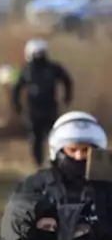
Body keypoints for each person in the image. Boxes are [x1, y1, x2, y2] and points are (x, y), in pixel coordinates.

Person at [14, 111, 112, 240]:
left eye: (86, 150)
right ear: (58, 150)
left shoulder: (107, 187)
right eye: (72, 150)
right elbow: (16, 229)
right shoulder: (37, 185)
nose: (79, 156)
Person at [12, 38, 73, 167]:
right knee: (36, 138)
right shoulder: (27, 70)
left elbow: (67, 81)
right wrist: (16, 104)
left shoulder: (53, 68)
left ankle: (56, 163)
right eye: (36, 53)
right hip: (34, 110)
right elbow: (17, 88)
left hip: (49, 108)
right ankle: (38, 164)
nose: (38, 55)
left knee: (55, 136)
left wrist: (67, 96)